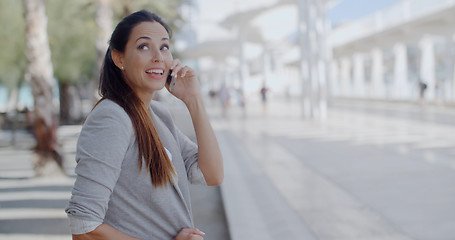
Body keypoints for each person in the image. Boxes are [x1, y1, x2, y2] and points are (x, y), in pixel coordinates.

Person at [65, 10, 223, 240]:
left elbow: (212, 174)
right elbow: (84, 225)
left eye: (164, 47)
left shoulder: (158, 115)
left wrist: (194, 100)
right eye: (144, 47)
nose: (158, 56)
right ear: (119, 59)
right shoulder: (112, 117)